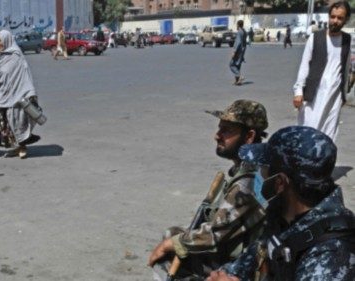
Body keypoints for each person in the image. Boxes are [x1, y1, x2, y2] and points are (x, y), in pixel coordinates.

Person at [207, 126, 355, 281]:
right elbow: (243, 266)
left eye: (263, 169)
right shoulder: (281, 217)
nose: (258, 174)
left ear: (279, 182)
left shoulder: (332, 253)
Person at [148, 100, 269, 281]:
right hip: (240, 249)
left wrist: (170, 245)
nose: (217, 136)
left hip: (243, 263)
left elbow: (214, 233)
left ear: (249, 136)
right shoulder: (253, 167)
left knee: (167, 256)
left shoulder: (248, 182)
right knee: (173, 234)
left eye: (226, 130)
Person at [292, 1, 353, 142]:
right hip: (314, 93)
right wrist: (298, 92)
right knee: (308, 129)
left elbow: (346, 67)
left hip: (334, 95)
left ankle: (323, 162)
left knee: (329, 132)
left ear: (346, 20)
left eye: (339, 18)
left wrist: (344, 94)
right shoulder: (315, 38)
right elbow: (304, 65)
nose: (335, 21)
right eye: (332, 17)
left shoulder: (347, 40)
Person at [0, 30, 41, 159]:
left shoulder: (16, 55)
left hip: (17, 93)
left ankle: (23, 146)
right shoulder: (0, 56)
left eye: (0, 41)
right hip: (2, 93)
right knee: (5, 121)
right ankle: (16, 145)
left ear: (7, 40)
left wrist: (29, 91)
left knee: (17, 120)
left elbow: (24, 74)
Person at [230, 20, 247, 86]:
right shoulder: (244, 32)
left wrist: (234, 52)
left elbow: (238, 42)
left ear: (238, 25)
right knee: (237, 65)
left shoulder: (239, 32)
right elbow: (245, 43)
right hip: (242, 51)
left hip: (238, 51)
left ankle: (239, 76)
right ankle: (237, 81)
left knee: (231, 64)